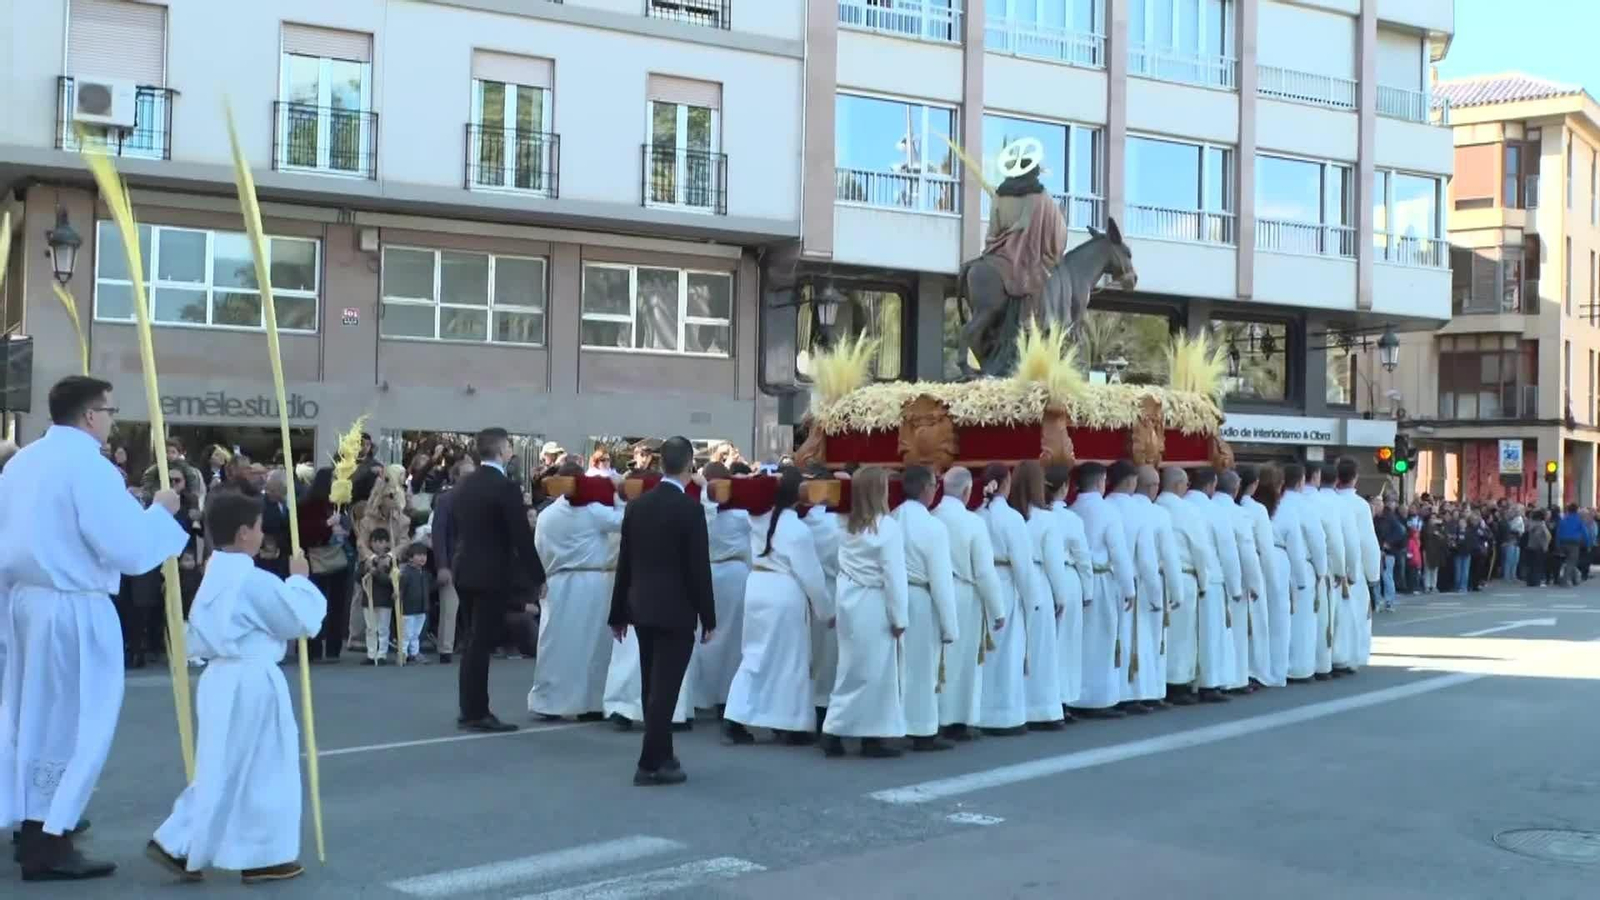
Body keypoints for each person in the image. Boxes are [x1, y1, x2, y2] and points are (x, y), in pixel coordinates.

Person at [1, 376, 188, 880]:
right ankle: (47, 841)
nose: (111, 420)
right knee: (75, 722)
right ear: (90, 415)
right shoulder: (90, 467)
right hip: (72, 606)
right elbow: (127, 549)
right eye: (110, 410)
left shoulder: (20, 462)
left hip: (24, 603)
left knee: (29, 717)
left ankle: (33, 825)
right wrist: (162, 512)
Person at [145, 489, 325, 884]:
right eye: (260, 528)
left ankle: (204, 844)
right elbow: (298, 621)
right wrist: (299, 581)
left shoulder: (216, 573)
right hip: (250, 680)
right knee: (261, 766)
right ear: (245, 532)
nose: (263, 535)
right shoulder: (250, 580)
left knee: (228, 764)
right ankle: (201, 845)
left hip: (223, 678)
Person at [608, 436, 714, 785]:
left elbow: (626, 562)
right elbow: (698, 567)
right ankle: (649, 762)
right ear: (689, 466)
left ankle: (664, 755)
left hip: (641, 604)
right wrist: (708, 616)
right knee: (665, 689)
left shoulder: (637, 506)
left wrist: (618, 612)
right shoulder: (690, 509)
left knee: (651, 682)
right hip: (676, 607)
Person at [453, 428, 548, 733]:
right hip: (490, 574)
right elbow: (520, 535)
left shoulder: (465, 484)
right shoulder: (504, 487)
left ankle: (469, 707)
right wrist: (538, 576)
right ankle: (477, 711)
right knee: (481, 642)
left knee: (472, 641)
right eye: (509, 446)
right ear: (501, 449)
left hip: (465, 568)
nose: (511, 452)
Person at [724, 470, 829, 746]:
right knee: (790, 660)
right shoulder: (797, 529)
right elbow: (812, 576)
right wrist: (825, 611)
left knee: (754, 655)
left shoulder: (757, 517)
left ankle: (735, 715)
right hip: (784, 592)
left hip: (757, 585)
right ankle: (790, 724)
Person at [820, 467, 910, 758]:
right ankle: (853, 732)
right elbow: (894, 577)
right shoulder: (887, 528)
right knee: (874, 672)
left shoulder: (843, 525)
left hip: (848, 599)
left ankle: (850, 730)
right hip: (873, 603)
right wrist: (900, 618)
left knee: (851, 668)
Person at [528, 466, 623, 721]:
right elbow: (626, 520)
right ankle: (590, 703)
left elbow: (538, 549)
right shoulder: (593, 510)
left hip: (556, 581)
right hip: (589, 581)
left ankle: (548, 701)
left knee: (554, 644)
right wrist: (617, 491)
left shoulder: (547, 515)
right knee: (592, 645)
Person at [934, 467, 1006, 741]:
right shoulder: (973, 523)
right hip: (965, 594)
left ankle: (936, 717)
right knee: (964, 661)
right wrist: (998, 609)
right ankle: (959, 720)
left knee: (939, 658)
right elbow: (984, 571)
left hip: (937, 593)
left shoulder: (933, 516)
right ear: (967, 491)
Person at [893, 466, 960, 750]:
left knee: (899, 667)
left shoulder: (893, 518)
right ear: (924, 488)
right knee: (923, 668)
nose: (937, 489)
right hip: (921, 599)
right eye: (935, 484)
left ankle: (895, 725)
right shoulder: (933, 527)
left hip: (897, 597)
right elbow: (941, 580)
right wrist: (950, 625)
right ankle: (922, 730)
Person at [1071, 463, 1138, 717]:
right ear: (1101, 482)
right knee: (1103, 640)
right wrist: (1128, 588)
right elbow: (1119, 553)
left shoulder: (1073, 508)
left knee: (1081, 641)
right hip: (1102, 581)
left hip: (1080, 581)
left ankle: (1077, 696)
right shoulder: (1107, 512)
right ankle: (1098, 700)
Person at [690, 463, 752, 712]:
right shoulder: (741, 516)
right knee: (731, 639)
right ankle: (724, 697)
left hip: (705, 573)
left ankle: (699, 696)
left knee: (703, 635)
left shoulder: (698, 511)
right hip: (734, 574)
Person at [1156, 466, 1217, 705]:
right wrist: (1204, 580)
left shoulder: (1155, 508)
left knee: (1162, 635)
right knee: (1182, 636)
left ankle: (1159, 682)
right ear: (1180, 485)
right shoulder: (1187, 511)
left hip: (1159, 578)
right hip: (1184, 576)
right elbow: (1200, 550)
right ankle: (1178, 683)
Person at [1105, 461, 1162, 715]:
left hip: (1105, 581)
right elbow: (1147, 560)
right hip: (1132, 583)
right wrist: (1155, 594)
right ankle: (1132, 693)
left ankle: (1110, 693)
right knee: (1131, 639)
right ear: (1131, 482)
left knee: (1109, 640)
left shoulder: (1103, 506)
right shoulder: (1139, 512)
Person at [977, 464, 1029, 734]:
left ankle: (981, 712)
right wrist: (1031, 598)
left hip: (981, 587)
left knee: (984, 652)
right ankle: (1004, 716)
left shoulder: (977, 515)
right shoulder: (1012, 519)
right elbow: (1022, 564)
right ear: (1004, 483)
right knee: (1007, 651)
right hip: (1007, 585)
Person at [1185, 468, 1241, 700]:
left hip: (1186, 577)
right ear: (1212, 484)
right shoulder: (1214, 511)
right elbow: (1228, 552)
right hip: (1212, 579)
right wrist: (1235, 587)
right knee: (1211, 636)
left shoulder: (1180, 505)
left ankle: (1186, 681)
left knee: (1186, 637)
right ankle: (1209, 682)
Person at [1045, 466, 1093, 716]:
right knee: (1066, 642)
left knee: (1047, 641)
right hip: (1067, 576)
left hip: (1043, 579)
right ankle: (1062, 698)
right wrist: (1088, 591)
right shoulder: (1070, 519)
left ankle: (1046, 698)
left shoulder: (1034, 515)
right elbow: (1083, 558)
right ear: (1064, 488)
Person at [1130, 464, 1179, 709]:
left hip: (1127, 583)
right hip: (1152, 582)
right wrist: (1175, 591)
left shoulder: (1123, 509)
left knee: (1133, 641)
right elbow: (1169, 557)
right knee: (1153, 641)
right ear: (1152, 487)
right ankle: (1151, 692)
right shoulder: (1159, 514)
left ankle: (1132, 692)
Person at [1215, 470, 1262, 693]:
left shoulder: (1205, 508)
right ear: (1236, 489)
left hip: (1211, 578)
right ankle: (1235, 678)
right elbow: (1246, 552)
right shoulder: (1237, 514)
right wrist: (1254, 583)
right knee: (1236, 633)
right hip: (1233, 579)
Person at [1281, 465, 1326, 684]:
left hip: (1279, 565)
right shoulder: (1305, 506)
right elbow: (1317, 541)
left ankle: (1280, 665)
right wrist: (1321, 570)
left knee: (1281, 620)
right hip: (1302, 566)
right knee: (1303, 621)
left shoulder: (1276, 504)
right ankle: (1300, 668)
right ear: (1301, 482)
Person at [1238, 466, 1281, 688]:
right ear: (1253, 485)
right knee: (1255, 624)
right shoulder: (1256, 510)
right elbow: (1265, 548)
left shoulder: (1231, 507)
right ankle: (1255, 670)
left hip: (1233, 572)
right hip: (1252, 569)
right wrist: (1272, 582)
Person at [430, 457, 474, 664]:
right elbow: (438, 534)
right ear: (455, 477)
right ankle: (445, 649)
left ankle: (472, 645)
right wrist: (442, 566)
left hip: (477, 562)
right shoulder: (445, 500)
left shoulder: (482, 498)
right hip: (453, 563)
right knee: (450, 608)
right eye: (465, 474)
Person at [398, 543, 432, 664]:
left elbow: (429, 588)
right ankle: (403, 653)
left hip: (422, 608)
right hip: (408, 608)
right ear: (411, 557)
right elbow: (401, 589)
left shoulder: (425, 573)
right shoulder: (406, 572)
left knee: (416, 633)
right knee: (406, 632)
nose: (423, 558)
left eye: (424, 555)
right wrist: (398, 598)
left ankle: (414, 653)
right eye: (419, 555)